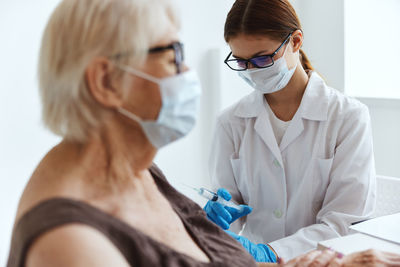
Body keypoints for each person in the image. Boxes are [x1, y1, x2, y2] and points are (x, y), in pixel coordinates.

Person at [6, 0, 258, 266]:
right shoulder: (68, 244)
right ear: (106, 82)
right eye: (173, 57)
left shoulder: (141, 171)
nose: (187, 73)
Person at [204, 0, 376, 262]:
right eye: (242, 62)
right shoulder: (230, 122)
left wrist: (273, 253)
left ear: (295, 41)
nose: (252, 71)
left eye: (262, 58)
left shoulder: (347, 117)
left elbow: (347, 222)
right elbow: (229, 205)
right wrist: (217, 216)